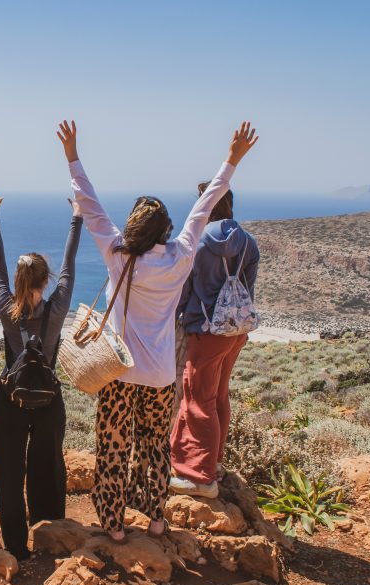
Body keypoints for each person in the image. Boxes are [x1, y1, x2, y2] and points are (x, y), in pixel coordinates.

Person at [58, 119, 259, 543]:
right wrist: (232, 161)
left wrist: (72, 155)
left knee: (113, 450)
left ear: (133, 228)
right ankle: (154, 519)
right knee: (153, 448)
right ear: (165, 229)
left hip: (119, 374)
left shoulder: (118, 255)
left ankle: (113, 525)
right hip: (161, 378)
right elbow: (204, 207)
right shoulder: (180, 256)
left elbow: (90, 206)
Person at [0, 186, 81, 560]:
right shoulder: (58, 306)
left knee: (9, 470)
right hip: (49, 398)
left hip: (10, 398)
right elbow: (70, 263)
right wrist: (77, 217)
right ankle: (48, 534)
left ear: (17, 282)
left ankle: (16, 544)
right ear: (45, 282)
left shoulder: (3, 304)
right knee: (48, 465)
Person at [169, 183, 260, 498]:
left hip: (206, 331)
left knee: (197, 401)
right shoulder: (249, 243)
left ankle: (200, 477)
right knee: (219, 396)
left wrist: (178, 317)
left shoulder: (197, 243)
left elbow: (184, 288)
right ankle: (215, 462)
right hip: (235, 333)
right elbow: (248, 288)